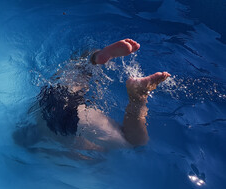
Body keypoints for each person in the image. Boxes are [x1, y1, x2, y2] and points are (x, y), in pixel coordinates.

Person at [14, 39, 170, 151]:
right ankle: (96, 58)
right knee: (81, 65)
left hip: (66, 124)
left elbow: (92, 151)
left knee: (135, 143)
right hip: (49, 96)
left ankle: (138, 95)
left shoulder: (53, 147)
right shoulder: (33, 113)